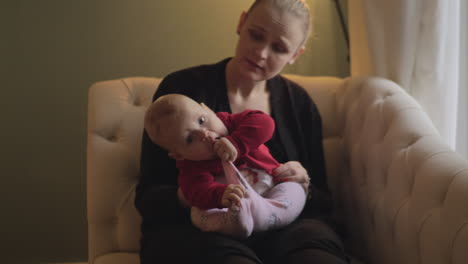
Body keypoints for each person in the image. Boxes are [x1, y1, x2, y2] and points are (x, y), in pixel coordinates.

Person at [136, 0, 350, 263]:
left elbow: (322, 202)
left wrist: (303, 182)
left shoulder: (300, 105)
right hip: (203, 232)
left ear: (295, 55)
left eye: (279, 48)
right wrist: (202, 195)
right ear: (241, 23)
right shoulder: (182, 90)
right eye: (256, 35)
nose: (261, 52)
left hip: (286, 229)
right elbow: (149, 198)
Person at [143, 93, 306, 238]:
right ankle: (238, 220)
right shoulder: (191, 166)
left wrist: (237, 142)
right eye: (190, 139)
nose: (204, 134)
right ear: (179, 155)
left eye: (201, 120)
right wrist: (221, 195)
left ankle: (266, 215)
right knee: (198, 213)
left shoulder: (231, 123)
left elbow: (265, 123)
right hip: (235, 205)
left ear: (207, 109)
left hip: (272, 188)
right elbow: (197, 191)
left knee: (294, 189)